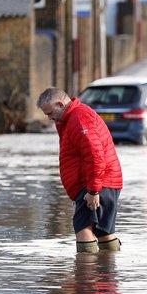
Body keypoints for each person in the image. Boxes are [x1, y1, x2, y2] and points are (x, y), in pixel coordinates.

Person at [37, 87, 123, 254]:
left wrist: (93, 190)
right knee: (103, 231)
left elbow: (95, 155)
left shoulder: (79, 118)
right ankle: (108, 275)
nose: (49, 118)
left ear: (60, 104)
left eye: (50, 113)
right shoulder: (71, 118)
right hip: (104, 181)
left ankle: (86, 277)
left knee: (83, 228)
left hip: (95, 184)